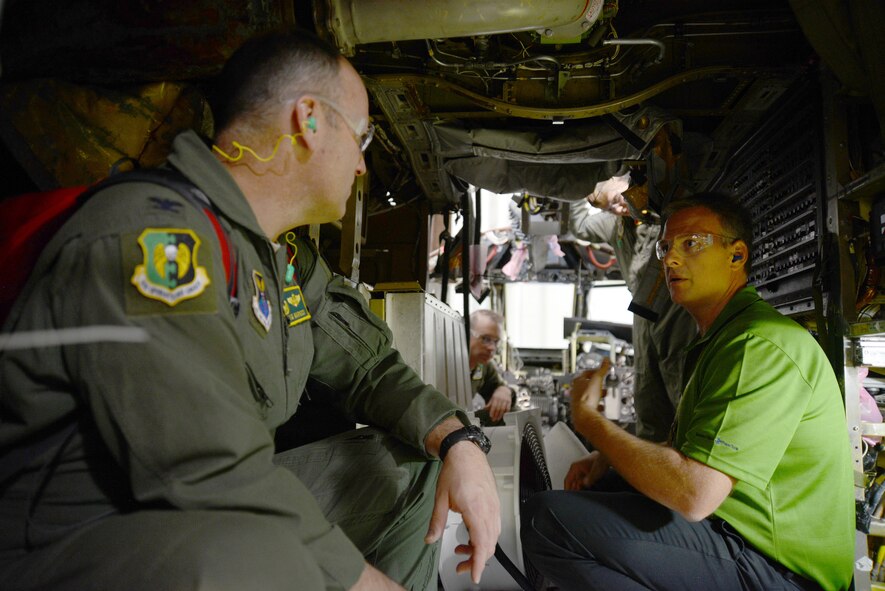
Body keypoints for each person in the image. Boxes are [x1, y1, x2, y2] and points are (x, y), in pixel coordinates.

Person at [0, 30, 500, 591]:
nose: (363, 167)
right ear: (308, 120)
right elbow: (207, 471)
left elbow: (368, 367)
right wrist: (362, 582)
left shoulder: (277, 259)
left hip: (194, 516)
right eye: (361, 137)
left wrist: (458, 441)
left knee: (409, 467)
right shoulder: (157, 238)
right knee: (237, 551)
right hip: (84, 539)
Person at [523, 192, 854, 590]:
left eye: (691, 243)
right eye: (666, 248)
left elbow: (695, 494)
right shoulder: (722, 340)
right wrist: (607, 454)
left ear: (736, 256)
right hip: (741, 537)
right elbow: (692, 454)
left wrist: (591, 422)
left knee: (546, 522)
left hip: (780, 571)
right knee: (606, 485)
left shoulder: (759, 345)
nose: (671, 259)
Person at [570, 173, 697, 442]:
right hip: (642, 312)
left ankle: (692, 453)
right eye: (608, 208)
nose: (617, 208)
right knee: (647, 393)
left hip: (676, 307)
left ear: (619, 176)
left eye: (615, 200)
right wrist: (574, 183)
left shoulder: (665, 206)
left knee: (681, 383)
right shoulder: (616, 225)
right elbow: (579, 225)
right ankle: (654, 461)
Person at [468, 309, 515, 426]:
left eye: (496, 342)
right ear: (466, 333)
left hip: (462, 423)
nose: (492, 348)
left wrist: (504, 390)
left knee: (510, 412)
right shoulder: (449, 363)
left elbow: (499, 386)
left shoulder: (483, 365)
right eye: (485, 339)